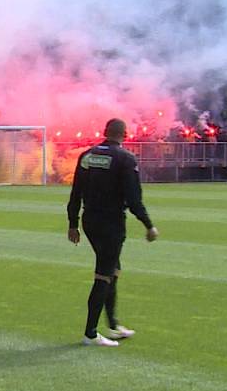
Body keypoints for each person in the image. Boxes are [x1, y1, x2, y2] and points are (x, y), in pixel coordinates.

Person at [67, 118, 159, 347]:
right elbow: (134, 198)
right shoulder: (125, 158)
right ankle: (90, 333)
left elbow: (75, 192)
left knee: (113, 269)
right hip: (111, 223)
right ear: (125, 134)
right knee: (104, 274)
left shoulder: (87, 155)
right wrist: (149, 225)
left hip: (90, 221)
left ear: (105, 132)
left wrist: (72, 223)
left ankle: (114, 324)